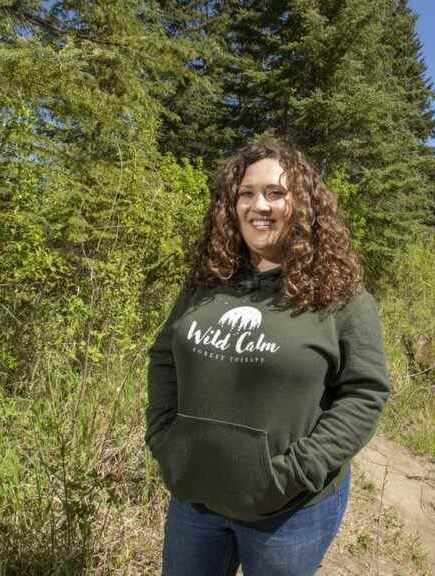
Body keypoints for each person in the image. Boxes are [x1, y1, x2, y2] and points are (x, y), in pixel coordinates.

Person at [145, 139, 390, 576]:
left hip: (287, 512)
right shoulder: (206, 285)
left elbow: (364, 394)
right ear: (231, 205)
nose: (260, 205)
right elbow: (165, 357)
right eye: (247, 193)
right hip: (196, 498)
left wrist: (294, 473)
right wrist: (166, 440)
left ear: (303, 206)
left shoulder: (342, 299)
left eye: (276, 193)